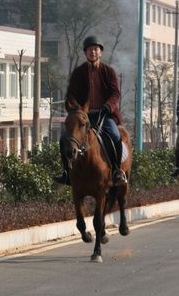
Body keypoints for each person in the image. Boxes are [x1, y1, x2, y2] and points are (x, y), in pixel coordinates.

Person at [54, 35, 127, 186]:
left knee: (115, 135)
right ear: (85, 52)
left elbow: (116, 93)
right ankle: (67, 172)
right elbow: (71, 94)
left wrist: (108, 106)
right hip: (83, 117)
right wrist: (74, 107)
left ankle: (116, 170)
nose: (92, 52)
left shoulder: (109, 71)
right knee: (63, 138)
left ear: (100, 52)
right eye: (89, 49)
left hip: (104, 115)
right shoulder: (78, 72)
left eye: (95, 49)